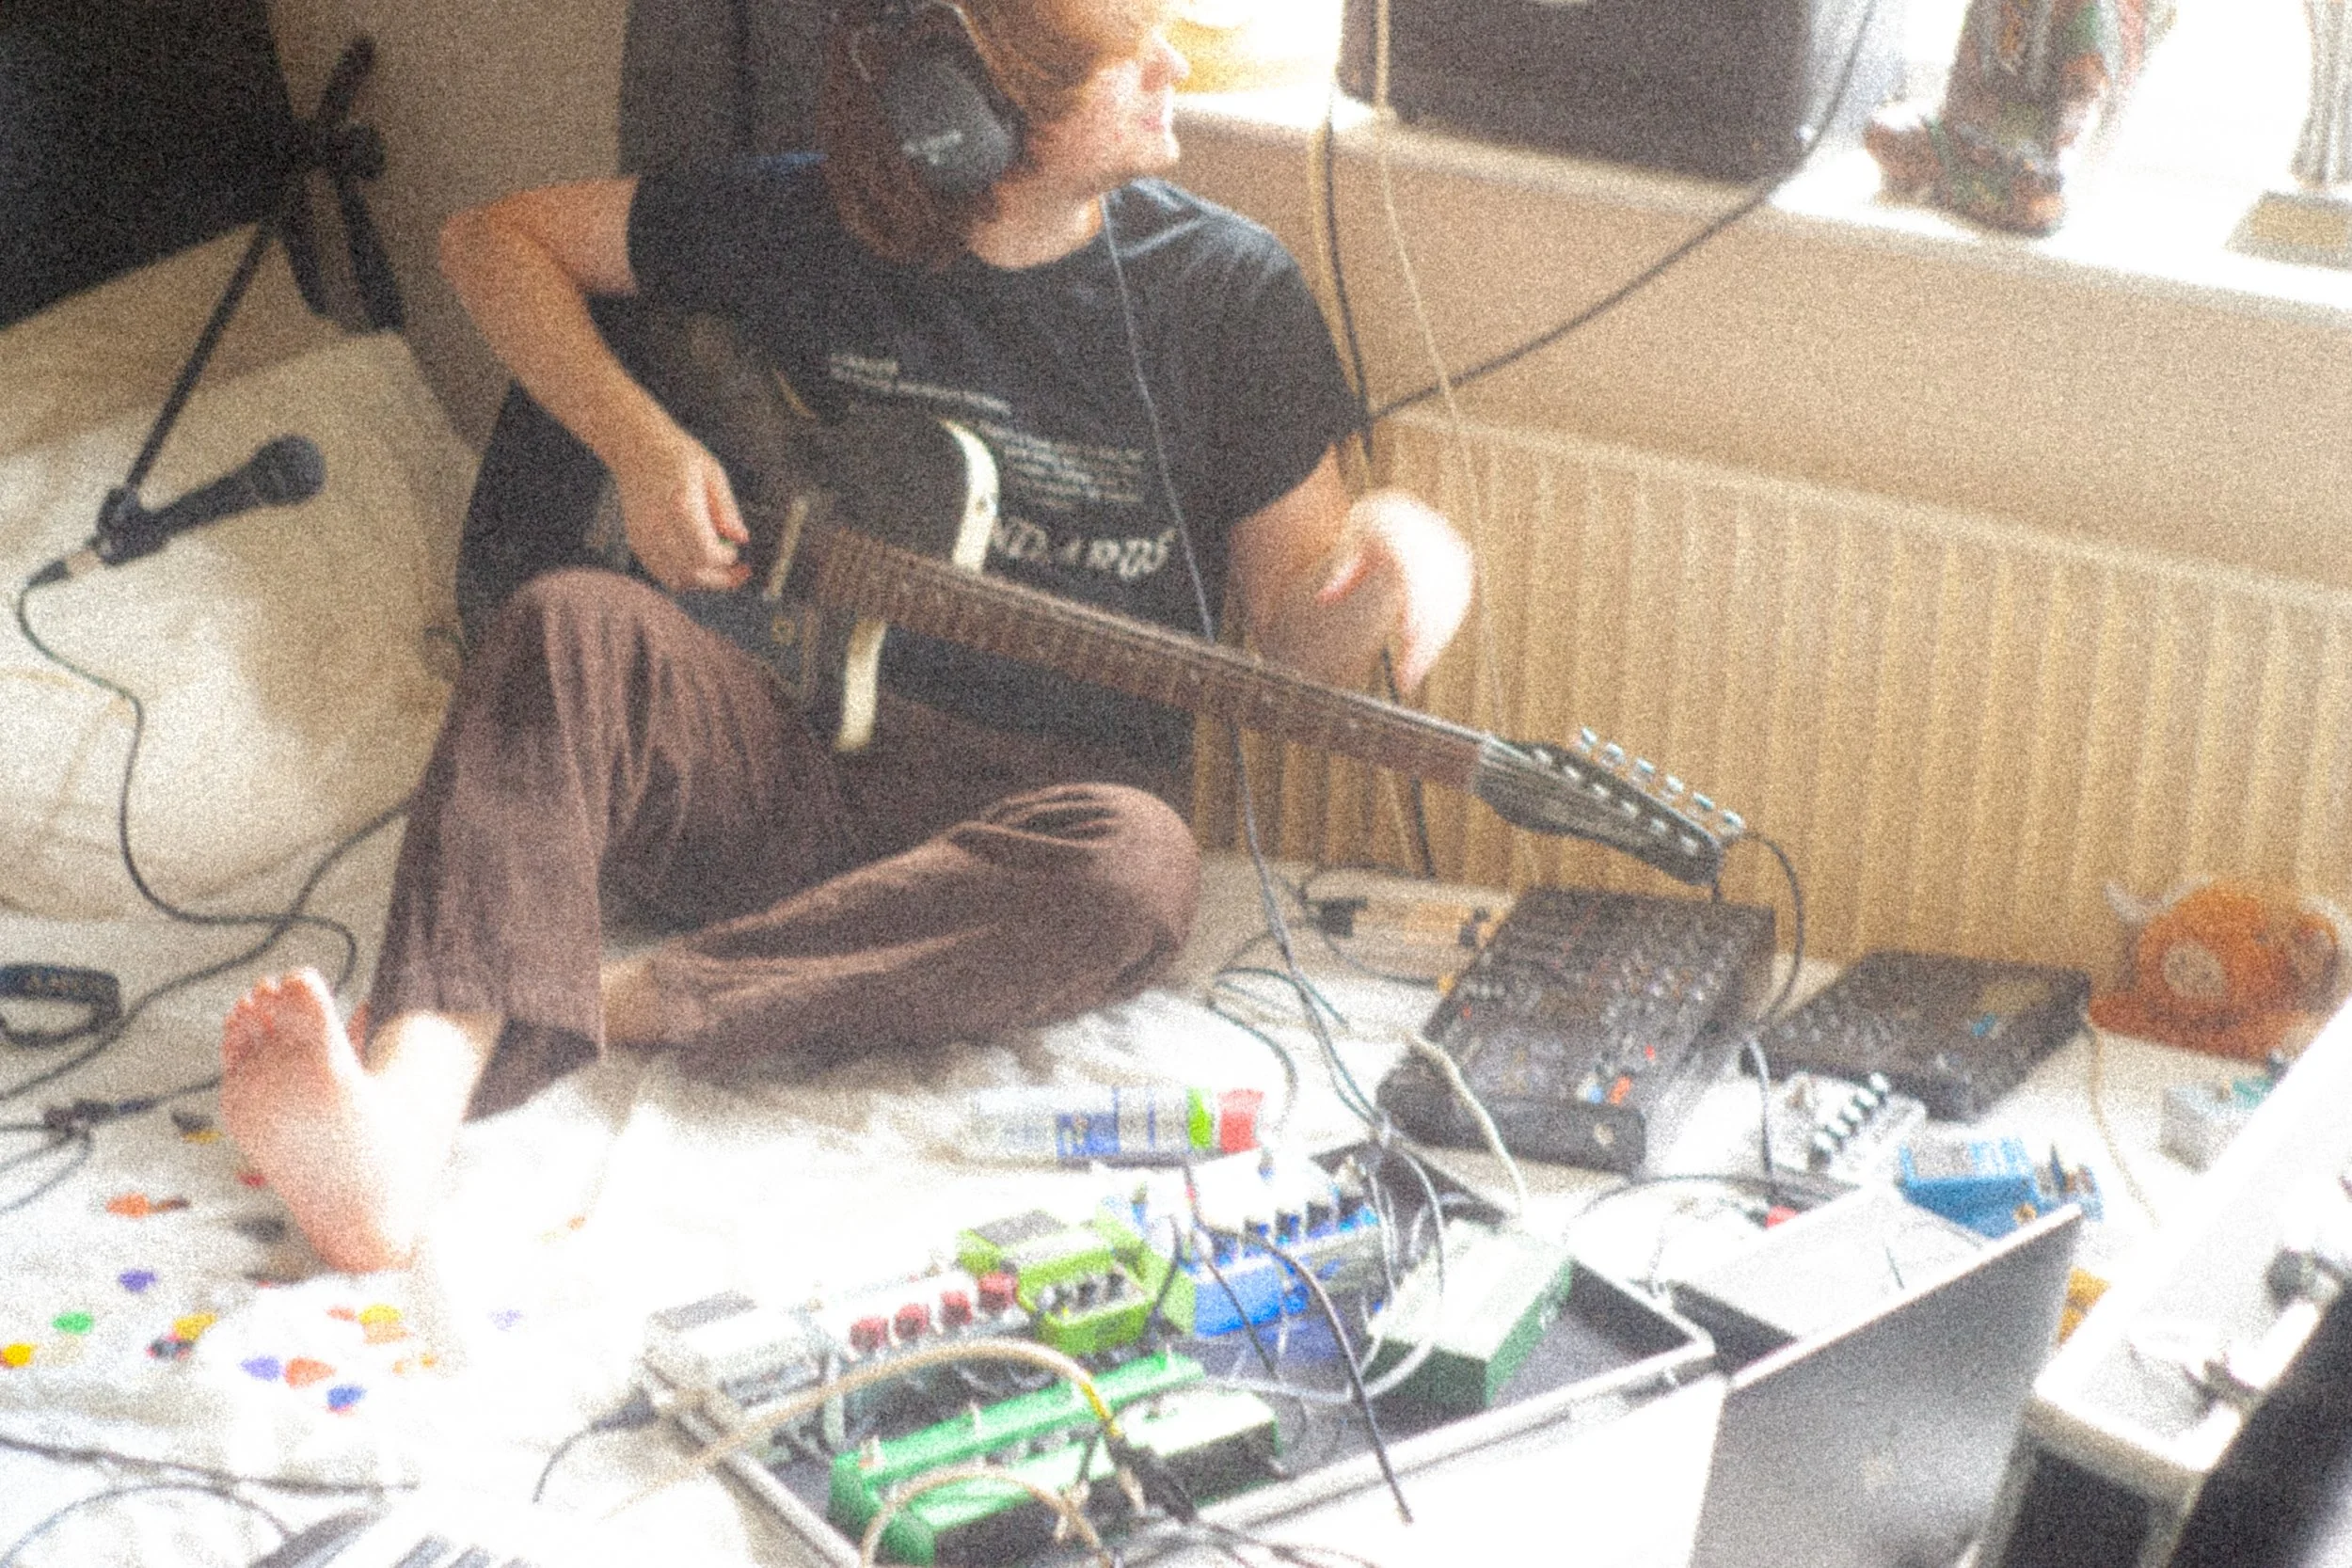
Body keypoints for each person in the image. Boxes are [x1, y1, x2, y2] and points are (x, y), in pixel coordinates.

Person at [220, 0, 1474, 1274]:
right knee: (565, 625)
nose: (1173, 66)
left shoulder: (1225, 290)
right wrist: (640, 446)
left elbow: (1293, 640)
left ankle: (616, 1002)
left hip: (1022, 825)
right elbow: (489, 242)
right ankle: (394, 1130)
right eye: (1119, 55)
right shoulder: (803, 222)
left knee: (1142, 868)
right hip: (778, 759)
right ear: (967, 100)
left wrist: (1397, 552)